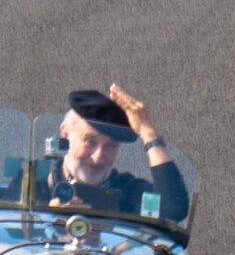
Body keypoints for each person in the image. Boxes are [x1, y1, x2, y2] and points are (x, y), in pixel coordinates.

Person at [44, 85, 189, 222]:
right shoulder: (35, 182)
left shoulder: (125, 192)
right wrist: (48, 219)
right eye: (89, 141)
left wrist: (147, 133)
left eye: (110, 146)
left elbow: (172, 210)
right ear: (65, 133)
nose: (98, 157)